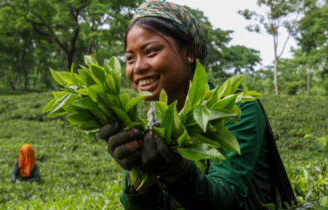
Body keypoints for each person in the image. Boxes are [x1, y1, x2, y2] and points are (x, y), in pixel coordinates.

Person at [98, 0, 295, 209]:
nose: (138, 67)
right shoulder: (151, 125)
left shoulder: (235, 109)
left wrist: (176, 171)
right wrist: (136, 173)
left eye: (151, 52)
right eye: (130, 58)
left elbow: (227, 198)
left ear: (189, 53)